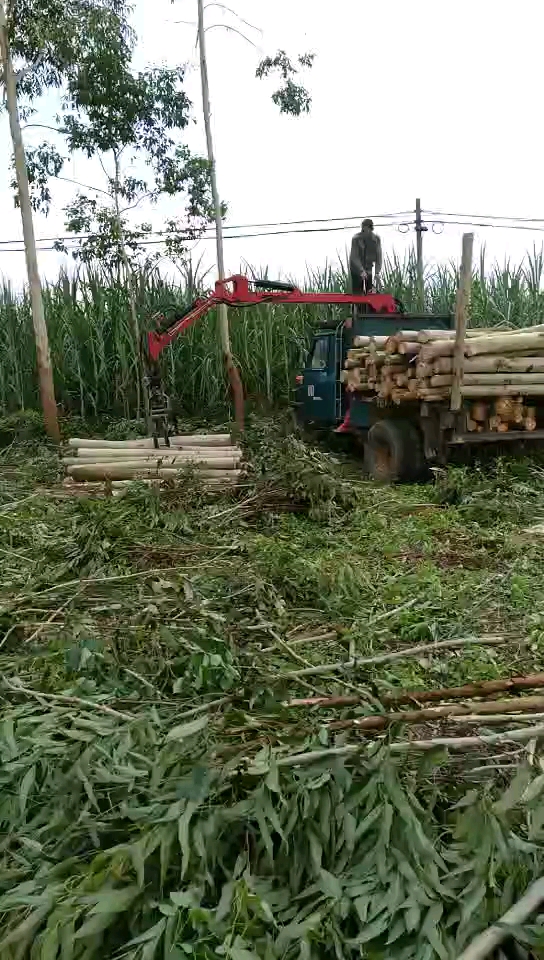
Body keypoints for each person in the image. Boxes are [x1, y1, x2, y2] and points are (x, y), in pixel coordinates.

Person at [349, 218, 382, 294]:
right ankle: (358, 304)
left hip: (368, 267)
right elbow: (354, 256)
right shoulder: (356, 239)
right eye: (363, 228)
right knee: (358, 292)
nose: (365, 230)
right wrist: (361, 270)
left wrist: (377, 272)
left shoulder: (376, 239)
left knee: (370, 291)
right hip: (356, 268)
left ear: (371, 228)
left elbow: (379, 256)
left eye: (367, 228)